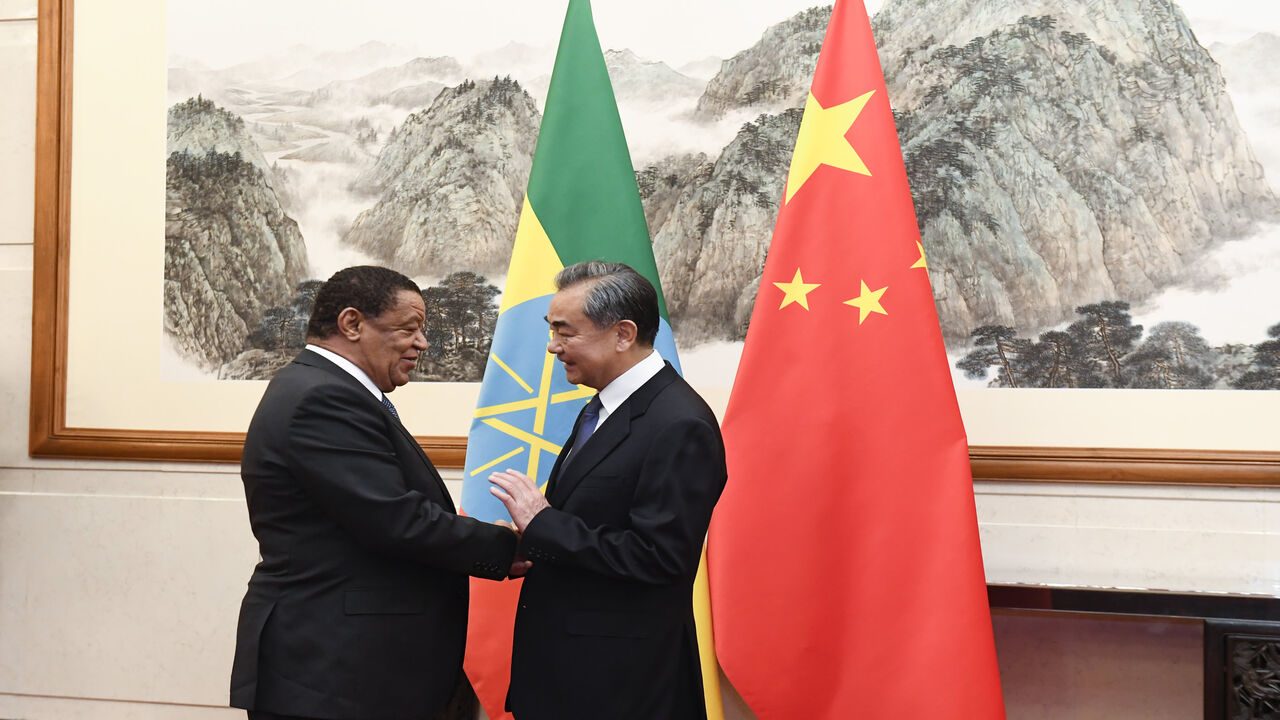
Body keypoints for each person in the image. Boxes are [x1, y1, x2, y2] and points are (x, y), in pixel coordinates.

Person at [230, 265, 520, 720]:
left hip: (351, 670)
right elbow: (395, 520)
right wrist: (506, 545)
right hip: (333, 675)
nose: (422, 344)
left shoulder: (325, 389)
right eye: (409, 329)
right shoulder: (321, 398)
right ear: (352, 324)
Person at [489, 260, 728, 720]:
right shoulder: (604, 408)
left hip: (621, 688)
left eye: (565, 332)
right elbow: (596, 521)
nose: (552, 346)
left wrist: (544, 522)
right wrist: (533, 537)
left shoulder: (679, 423)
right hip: (570, 679)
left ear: (622, 334)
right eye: (551, 330)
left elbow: (659, 558)